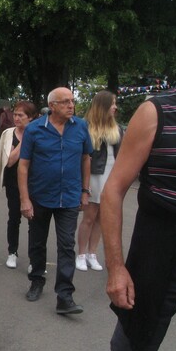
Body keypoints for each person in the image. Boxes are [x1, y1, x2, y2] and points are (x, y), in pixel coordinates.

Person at [98, 89, 176, 351]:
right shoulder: (155, 112)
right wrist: (116, 268)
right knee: (132, 343)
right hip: (159, 241)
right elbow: (114, 189)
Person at [18, 87, 92, 314]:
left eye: (72, 101)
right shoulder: (34, 129)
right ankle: (37, 280)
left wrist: (85, 190)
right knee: (37, 242)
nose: (71, 105)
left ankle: (65, 296)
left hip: (69, 196)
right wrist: (25, 199)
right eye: (65, 102)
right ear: (52, 106)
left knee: (66, 246)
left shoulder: (80, 126)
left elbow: (86, 158)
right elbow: (23, 166)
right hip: (40, 196)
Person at [76, 90, 123, 272]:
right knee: (89, 217)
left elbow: (120, 154)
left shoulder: (117, 128)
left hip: (111, 175)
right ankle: (80, 254)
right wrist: (83, 186)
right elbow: (83, 157)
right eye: (112, 103)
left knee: (102, 219)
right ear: (103, 106)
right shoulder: (86, 126)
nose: (115, 107)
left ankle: (92, 253)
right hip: (94, 176)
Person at [0, 100, 38, 269]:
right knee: (14, 218)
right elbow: (9, 161)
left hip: (35, 182)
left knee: (35, 221)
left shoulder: (39, 134)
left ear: (31, 118)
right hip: (13, 182)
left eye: (21, 115)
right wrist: (25, 142)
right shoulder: (9, 134)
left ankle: (34, 259)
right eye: (15, 114)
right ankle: (12, 252)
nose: (16, 118)